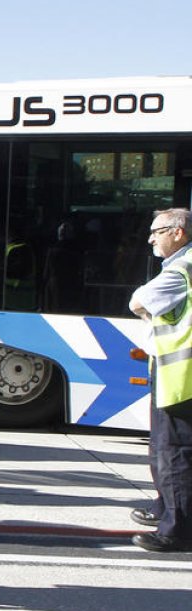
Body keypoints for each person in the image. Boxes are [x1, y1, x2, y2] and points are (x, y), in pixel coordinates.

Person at [128, 208, 192, 553]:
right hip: (178, 375)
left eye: (158, 231)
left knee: (173, 453)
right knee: (166, 451)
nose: (151, 238)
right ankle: (166, 509)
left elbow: (138, 301)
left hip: (181, 378)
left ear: (178, 233)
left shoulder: (183, 268)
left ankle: (176, 529)